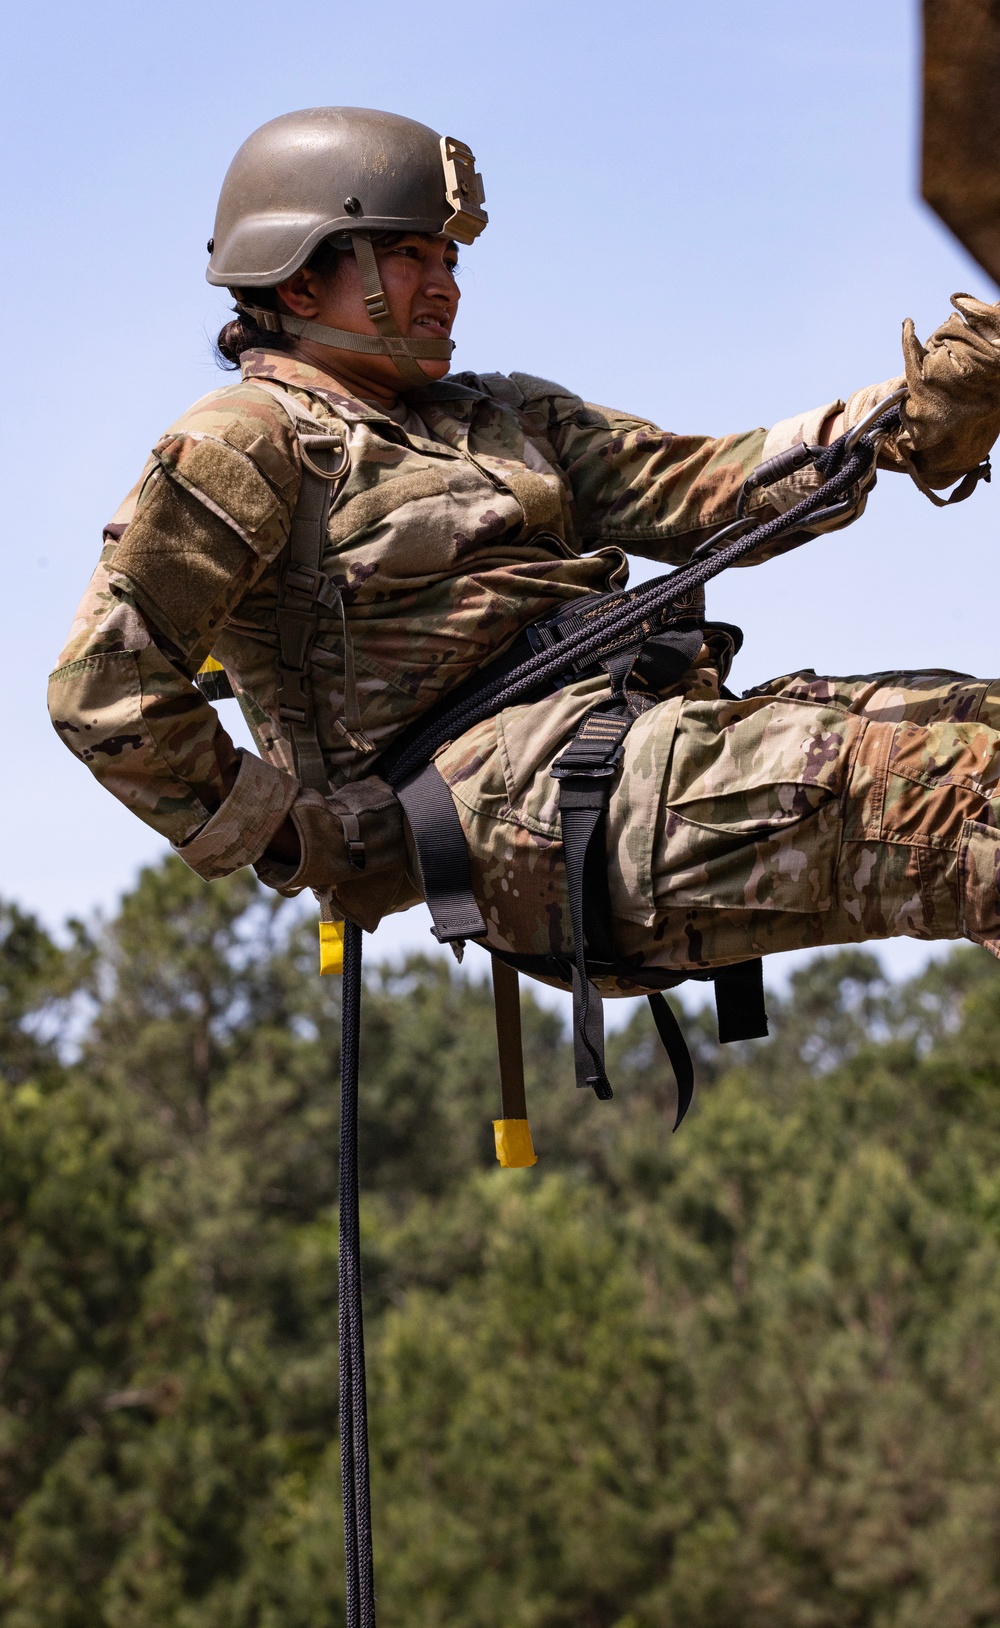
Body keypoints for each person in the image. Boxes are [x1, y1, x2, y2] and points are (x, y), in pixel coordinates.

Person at [48, 106, 1000, 1033]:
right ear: (299, 284)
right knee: (977, 801)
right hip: (535, 817)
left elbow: (718, 484)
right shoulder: (245, 445)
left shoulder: (506, 417)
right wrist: (299, 838)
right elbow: (106, 690)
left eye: (450, 256)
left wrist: (917, 416)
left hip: (642, 738)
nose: (447, 284)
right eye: (411, 253)